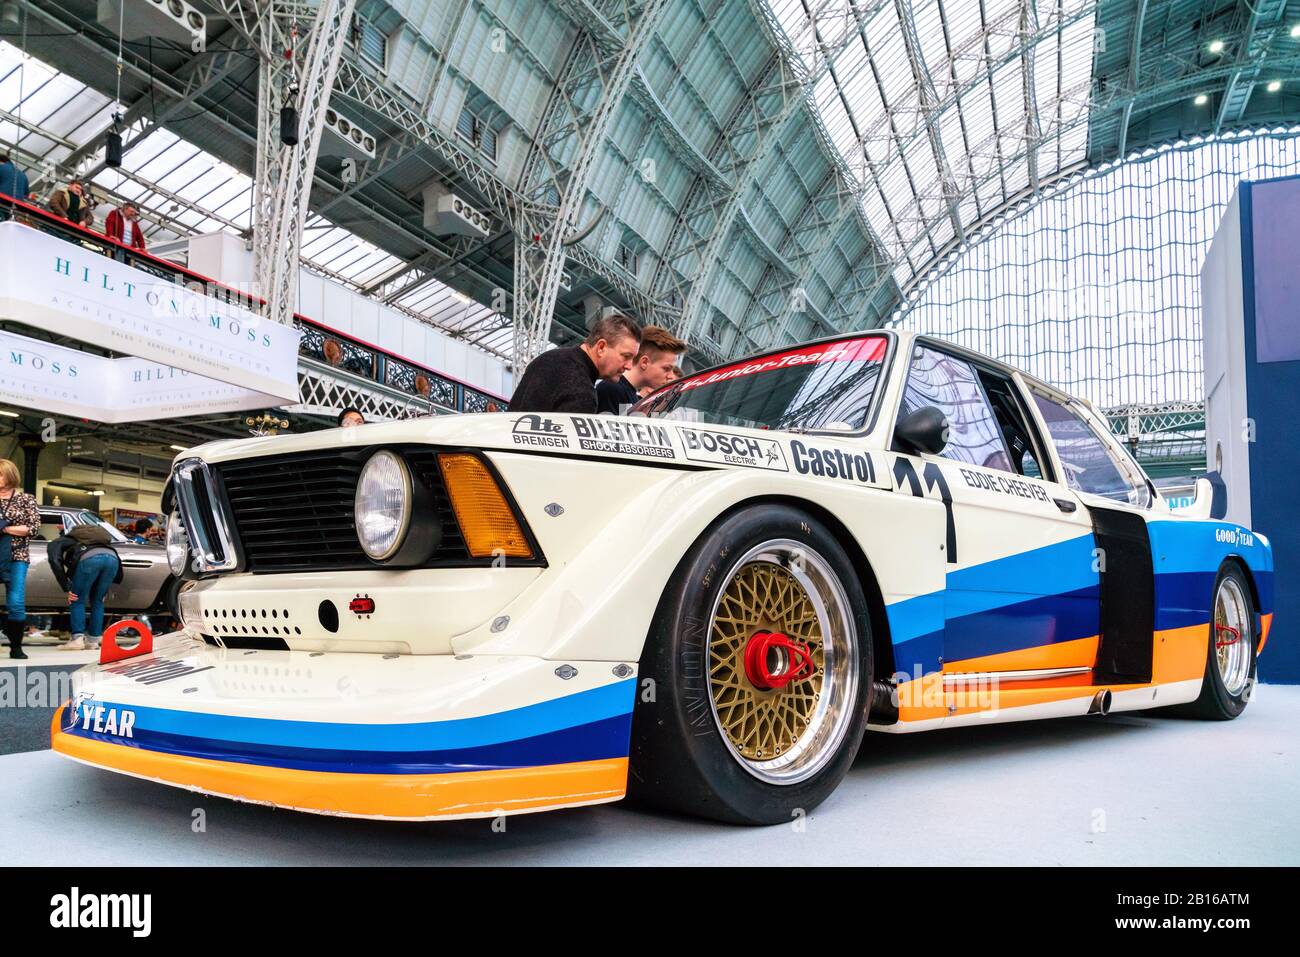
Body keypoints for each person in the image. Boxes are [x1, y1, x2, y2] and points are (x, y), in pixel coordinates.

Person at [509, 314, 641, 414]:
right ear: (601, 347)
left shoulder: (548, 358)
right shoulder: (582, 391)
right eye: (626, 356)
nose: (629, 366)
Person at [50, 524, 123, 652]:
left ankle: (77, 639)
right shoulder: (101, 541)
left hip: (90, 560)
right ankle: (93, 641)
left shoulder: (63, 540)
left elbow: (55, 561)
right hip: (113, 559)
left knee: (76, 599)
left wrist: (66, 587)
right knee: (98, 600)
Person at [595, 325, 687, 414]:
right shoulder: (612, 390)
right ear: (644, 362)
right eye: (666, 368)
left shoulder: (629, 395)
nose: (670, 376)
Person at [0, 458, 40, 660]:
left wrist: (4, 528)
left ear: (9, 475)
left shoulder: (26, 499)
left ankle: (16, 647)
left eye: (0, 474)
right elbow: (23, 529)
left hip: (17, 555)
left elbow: (32, 529)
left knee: (15, 601)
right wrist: (16, 529)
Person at [0, 152, 30, 218]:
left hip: (2, 199)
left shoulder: (1, 167)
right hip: (17, 205)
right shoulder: (23, 174)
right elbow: (26, 194)